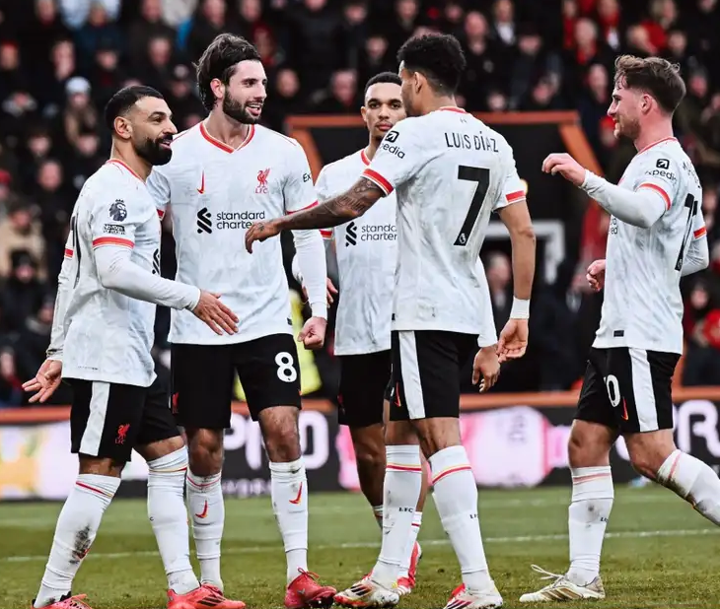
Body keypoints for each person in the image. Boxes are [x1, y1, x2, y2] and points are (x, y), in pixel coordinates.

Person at [245, 33, 537, 609]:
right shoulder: (493, 140)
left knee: (439, 441)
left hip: (421, 310)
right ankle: (387, 574)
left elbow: (353, 203)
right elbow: (523, 231)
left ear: (417, 81)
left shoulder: (413, 134)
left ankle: (479, 583)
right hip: (462, 306)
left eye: (402, 83)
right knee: (400, 437)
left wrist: (283, 223)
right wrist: (519, 313)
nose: (399, 95)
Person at [23, 85, 243, 609]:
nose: (170, 128)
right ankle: (50, 597)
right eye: (157, 119)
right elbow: (112, 270)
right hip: (108, 356)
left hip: (131, 357)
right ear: (123, 127)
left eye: (170, 119)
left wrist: (57, 350)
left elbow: (70, 272)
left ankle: (183, 589)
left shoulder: (126, 189)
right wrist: (191, 297)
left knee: (169, 459)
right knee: (100, 473)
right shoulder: (115, 191)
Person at [146, 34, 336, 609]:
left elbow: (306, 233)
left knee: (284, 431)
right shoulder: (176, 155)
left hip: (267, 320)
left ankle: (299, 574)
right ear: (217, 87)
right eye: (249, 83)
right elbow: (144, 236)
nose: (261, 92)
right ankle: (210, 581)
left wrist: (318, 307)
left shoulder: (284, 152)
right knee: (205, 448)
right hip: (198, 325)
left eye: (263, 82)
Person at [520, 55, 713, 603]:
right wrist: (625, 263)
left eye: (617, 97)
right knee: (585, 444)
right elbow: (695, 254)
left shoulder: (663, 161)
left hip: (640, 334)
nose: (610, 109)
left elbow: (647, 214)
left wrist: (583, 176)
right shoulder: (661, 162)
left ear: (644, 102)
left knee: (652, 455)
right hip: (618, 333)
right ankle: (583, 577)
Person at [292, 71, 427, 596]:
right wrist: (314, 292)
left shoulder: (421, 171)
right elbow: (309, 241)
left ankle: (399, 555)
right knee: (369, 455)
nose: (386, 112)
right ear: (363, 113)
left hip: (410, 327)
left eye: (395, 103)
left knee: (404, 445)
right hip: (355, 330)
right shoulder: (338, 174)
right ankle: (401, 542)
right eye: (376, 104)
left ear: (407, 110)